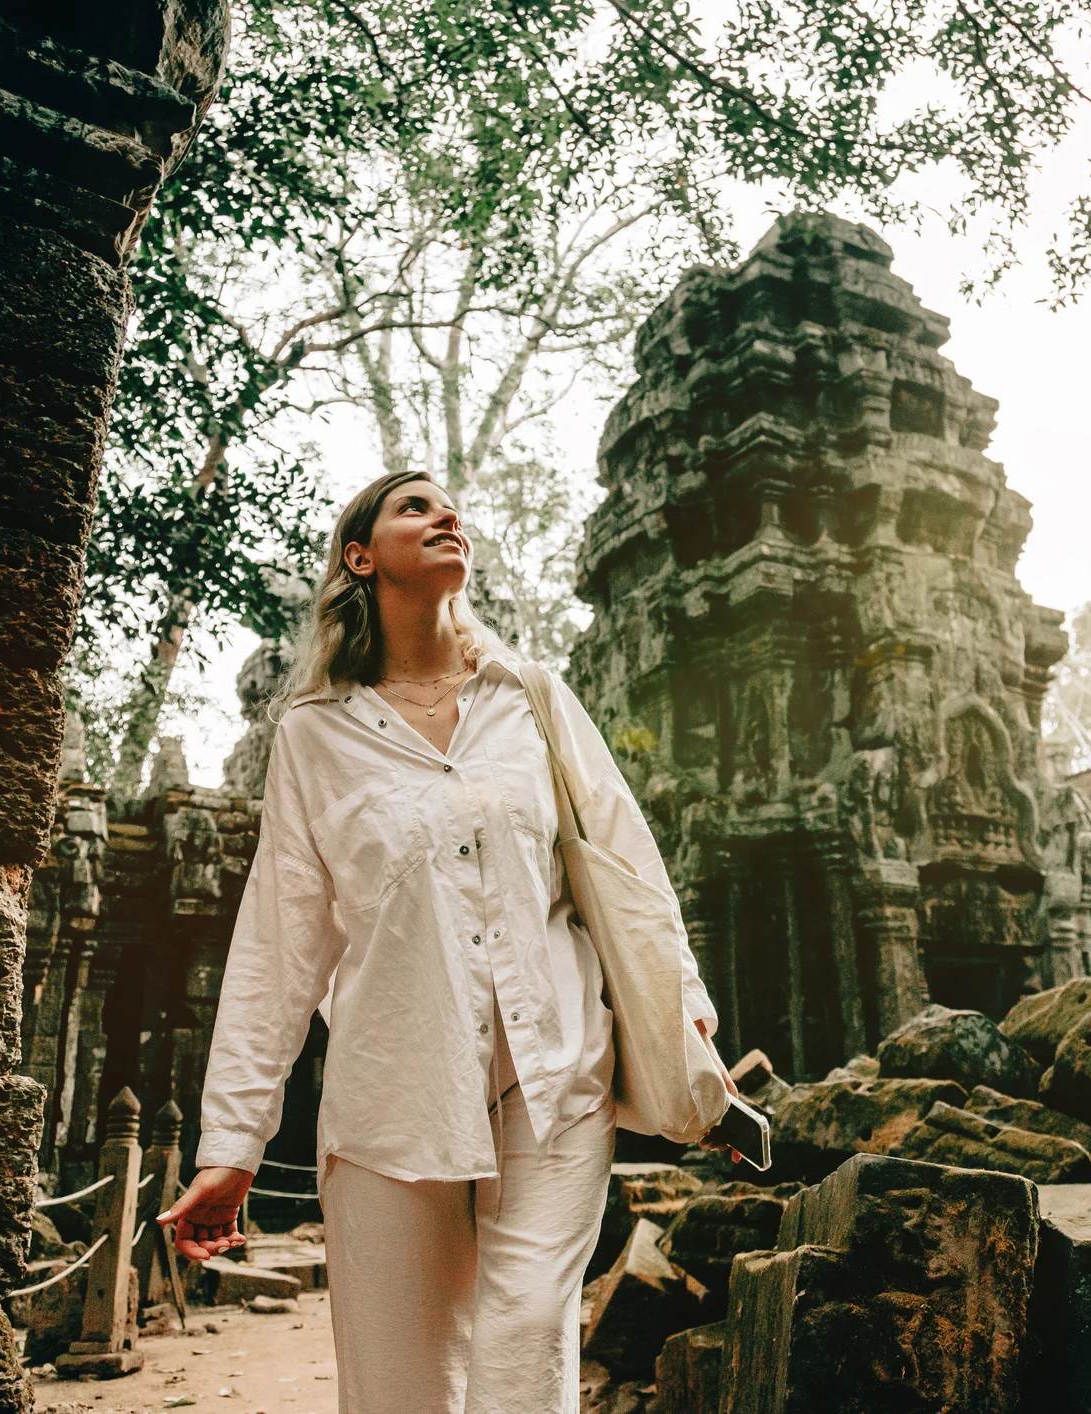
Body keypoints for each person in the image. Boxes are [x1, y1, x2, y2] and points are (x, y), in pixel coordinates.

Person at [156, 469, 735, 1414]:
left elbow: (629, 868)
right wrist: (233, 1143)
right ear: (360, 556)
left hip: (557, 1078)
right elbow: (279, 942)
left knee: (522, 1343)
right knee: (401, 1380)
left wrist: (688, 1018)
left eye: (448, 506)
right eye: (412, 507)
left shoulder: (532, 697)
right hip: (395, 1094)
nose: (443, 516)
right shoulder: (315, 734)